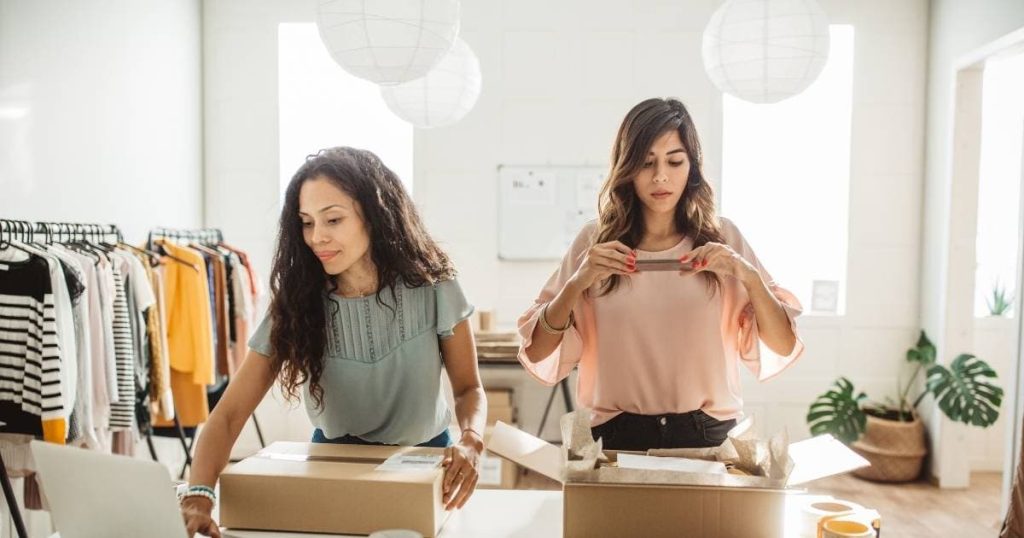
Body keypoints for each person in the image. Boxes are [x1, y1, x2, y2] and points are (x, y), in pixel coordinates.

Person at [180, 147, 487, 537]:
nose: (316, 237)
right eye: (306, 223)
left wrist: (472, 440)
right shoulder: (296, 301)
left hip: (427, 462)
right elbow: (227, 415)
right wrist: (199, 494)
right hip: (332, 460)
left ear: (375, 216)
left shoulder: (434, 285)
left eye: (334, 219)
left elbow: (468, 388)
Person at [518, 98, 804, 451]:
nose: (660, 177)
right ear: (627, 168)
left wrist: (747, 275)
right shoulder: (594, 243)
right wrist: (578, 282)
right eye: (646, 162)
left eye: (674, 160)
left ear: (692, 167)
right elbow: (537, 352)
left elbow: (783, 343)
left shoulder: (723, 239)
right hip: (616, 435)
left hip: (708, 434)